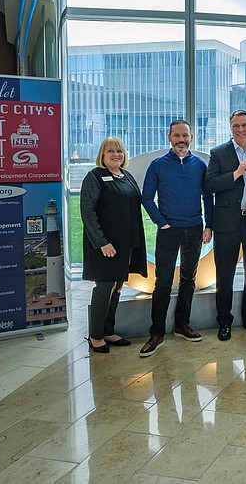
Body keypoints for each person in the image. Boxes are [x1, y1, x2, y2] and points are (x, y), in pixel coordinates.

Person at [139, 120, 213, 357]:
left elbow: (207, 197)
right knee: (162, 281)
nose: (181, 139)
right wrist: (162, 222)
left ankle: (182, 324)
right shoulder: (158, 165)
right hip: (168, 231)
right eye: (177, 135)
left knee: (189, 278)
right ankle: (157, 332)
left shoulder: (199, 165)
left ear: (191, 137)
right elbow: (147, 197)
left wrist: (208, 225)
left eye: (185, 135)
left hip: (194, 228)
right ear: (169, 137)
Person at [205, 110, 246, 341]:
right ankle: (224, 322)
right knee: (225, 274)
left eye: (244, 125)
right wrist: (236, 173)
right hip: (226, 223)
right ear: (230, 128)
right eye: (235, 126)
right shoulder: (218, 153)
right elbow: (210, 185)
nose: (240, 129)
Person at [81, 137, 147, 353]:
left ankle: (108, 331)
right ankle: (95, 335)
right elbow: (88, 212)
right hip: (105, 246)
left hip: (124, 244)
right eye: (111, 150)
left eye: (119, 150)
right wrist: (102, 242)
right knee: (104, 287)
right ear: (102, 154)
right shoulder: (94, 177)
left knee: (117, 287)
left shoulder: (125, 175)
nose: (116, 154)